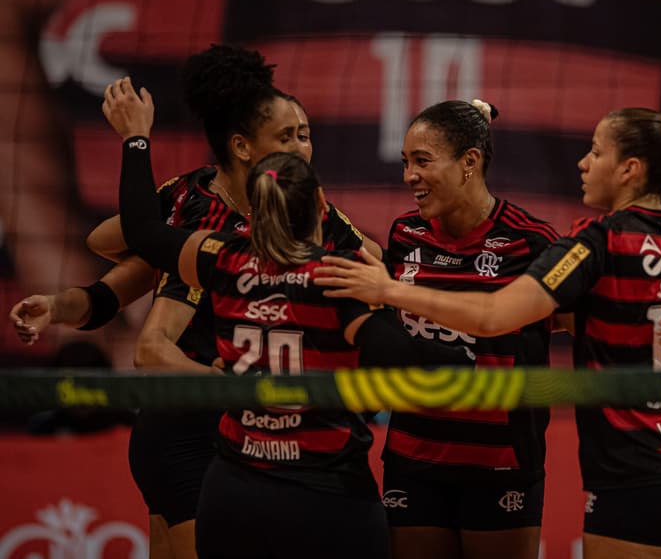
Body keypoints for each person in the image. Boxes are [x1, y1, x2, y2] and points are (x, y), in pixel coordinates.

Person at [315, 102, 661, 559]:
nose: (583, 163)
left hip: (631, 474)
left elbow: (494, 317)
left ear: (629, 169)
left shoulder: (594, 242)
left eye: (595, 151)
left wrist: (391, 293)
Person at [9, 44, 379, 559]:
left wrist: (60, 306)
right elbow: (117, 253)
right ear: (244, 147)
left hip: (241, 439)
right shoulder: (201, 216)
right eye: (288, 137)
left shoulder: (295, 210)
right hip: (192, 426)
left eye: (306, 135)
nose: (302, 149)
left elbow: (374, 260)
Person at [103, 76, 475, 558]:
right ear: (323, 207)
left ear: (255, 211)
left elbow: (143, 230)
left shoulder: (223, 259)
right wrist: (465, 350)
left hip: (234, 492)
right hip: (324, 496)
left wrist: (136, 138)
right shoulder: (337, 279)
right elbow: (405, 356)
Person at [378, 99, 558, 559]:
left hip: (501, 462)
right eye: (405, 163)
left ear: (469, 163)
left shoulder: (532, 241)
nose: (408, 177)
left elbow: (600, 324)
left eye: (422, 161)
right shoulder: (403, 236)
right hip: (412, 456)